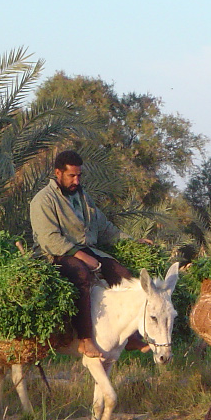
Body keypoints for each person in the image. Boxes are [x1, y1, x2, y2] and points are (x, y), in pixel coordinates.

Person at [30, 150, 146, 359]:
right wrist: (82, 257)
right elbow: (50, 239)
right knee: (81, 275)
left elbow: (104, 229)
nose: (76, 180)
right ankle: (85, 339)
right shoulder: (43, 200)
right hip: (57, 254)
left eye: (79, 175)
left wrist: (131, 240)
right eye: (71, 176)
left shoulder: (84, 198)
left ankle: (131, 336)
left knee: (124, 276)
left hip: (88, 250)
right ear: (58, 173)